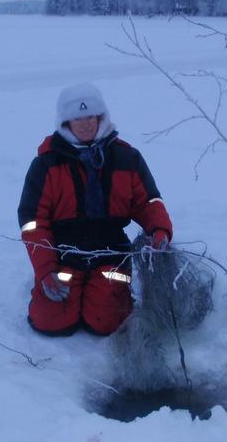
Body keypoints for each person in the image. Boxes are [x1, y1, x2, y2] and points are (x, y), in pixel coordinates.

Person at [18, 82, 173, 336]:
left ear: (101, 117)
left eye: (91, 116)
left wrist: (159, 229)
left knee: (108, 324)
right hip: (63, 256)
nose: (86, 123)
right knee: (50, 323)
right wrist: (45, 270)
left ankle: (106, 294)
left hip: (111, 253)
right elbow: (32, 221)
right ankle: (49, 290)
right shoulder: (46, 164)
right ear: (66, 122)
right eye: (77, 118)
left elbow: (149, 202)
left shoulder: (127, 158)